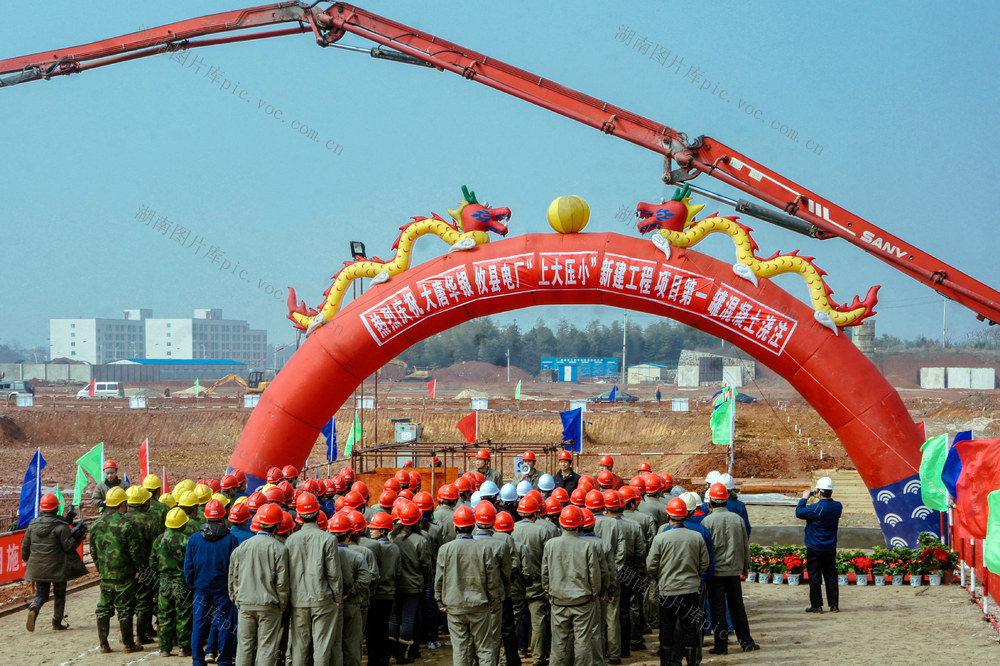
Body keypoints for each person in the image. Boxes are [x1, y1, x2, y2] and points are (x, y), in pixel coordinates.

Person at [646, 497, 710, 666]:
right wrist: (693, 575)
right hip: (690, 591)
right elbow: (705, 563)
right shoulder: (697, 537)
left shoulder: (661, 538)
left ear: (669, 516)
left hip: (668, 591)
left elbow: (651, 565)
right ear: (686, 515)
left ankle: (666, 663)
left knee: (667, 628)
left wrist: (662, 576)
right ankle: (691, 662)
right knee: (690, 628)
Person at [435, 505, 501, 666]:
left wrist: (439, 600)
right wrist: (493, 600)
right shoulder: (484, 549)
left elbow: (439, 578)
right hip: (479, 605)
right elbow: (492, 579)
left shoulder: (445, 549)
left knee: (460, 648)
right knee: (485, 648)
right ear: (473, 526)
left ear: (455, 527)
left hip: (455, 606)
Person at [285, 491, 343, 666]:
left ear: (299, 516)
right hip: (323, 599)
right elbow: (333, 573)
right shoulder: (329, 539)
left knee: (300, 647)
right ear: (318, 514)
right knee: (322, 646)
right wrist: (337, 597)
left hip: (298, 600)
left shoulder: (290, 541)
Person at [229, 503, 290, 665]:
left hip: (245, 604)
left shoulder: (242, 548)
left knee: (245, 646)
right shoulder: (280, 549)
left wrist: (237, 599)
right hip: (269, 606)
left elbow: (233, 578)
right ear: (277, 525)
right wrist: (282, 605)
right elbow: (282, 583)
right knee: (267, 647)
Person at [701, 483, 758, 654]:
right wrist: (746, 566)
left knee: (718, 609)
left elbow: (705, 550)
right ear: (726, 500)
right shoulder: (737, 519)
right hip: (733, 571)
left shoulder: (707, 521)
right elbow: (745, 545)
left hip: (716, 572)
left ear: (710, 502)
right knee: (737, 607)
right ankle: (746, 642)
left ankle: (721, 646)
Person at [542, 505, 602, 666]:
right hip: (582, 601)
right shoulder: (587, 546)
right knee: (582, 641)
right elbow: (594, 574)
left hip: (559, 601)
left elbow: (545, 573)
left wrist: (549, 594)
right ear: (579, 524)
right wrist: (594, 594)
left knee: (559, 642)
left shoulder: (551, 545)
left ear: (561, 524)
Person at [23, 493, 87, 633]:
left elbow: (25, 546)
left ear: (42, 509)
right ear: (56, 509)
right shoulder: (61, 527)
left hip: (38, 566)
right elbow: (68, 546)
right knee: (59, 593)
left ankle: (34, 607)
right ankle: (56, 622)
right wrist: (78, 537)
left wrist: (26, 559)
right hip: (58, 566)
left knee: (41, 594)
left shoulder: (32, 525)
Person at [89, 486, 143, 653]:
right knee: (125, 609)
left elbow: (93, 552)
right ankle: (128, 644)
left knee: (104, 608)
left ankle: (104, 644)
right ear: (123, 504)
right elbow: (135, 551)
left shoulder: (96, 524)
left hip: (106, 574)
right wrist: (138, 569)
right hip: (124, 575)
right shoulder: (127, 524)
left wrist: (101, 569)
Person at [184, 498, 238, 665]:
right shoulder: (230, 540)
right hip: (223, 590)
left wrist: (194, 584)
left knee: (199, 625)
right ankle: (225, 659)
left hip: (201, 589)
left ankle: (198, 660)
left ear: (206, 517)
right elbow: (235, 567)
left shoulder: (194, 540)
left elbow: (188, 567)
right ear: (223, 517)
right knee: (224, 624)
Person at [150, 507, 194, 657]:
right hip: (182, 582)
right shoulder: (187, 540)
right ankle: (183, 648)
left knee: (164, 616)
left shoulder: (159, 539)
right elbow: (191, 564)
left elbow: (152, 563)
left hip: (164, 583)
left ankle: (164, 649)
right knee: (184, 615)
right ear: (183, 524)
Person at [796, 476, 843, 613]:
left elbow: (799, 512)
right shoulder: (837, 506)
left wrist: (804, 498)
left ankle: (817, 605)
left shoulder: (816, 508)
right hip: (830, 546)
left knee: (815, 576)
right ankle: (834, 605)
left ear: (819, 492)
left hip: (815, 546)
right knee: (831, 575)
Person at [365, 512, 401, 666]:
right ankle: (383, 658)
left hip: (375, 594)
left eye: (375, 528)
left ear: (384, 531)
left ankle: (373, 660)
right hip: (389, 594)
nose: (371, 530)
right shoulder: (395, 548)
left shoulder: (373, 548)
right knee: (383, 628)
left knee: (372, 630)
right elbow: (398, 572)